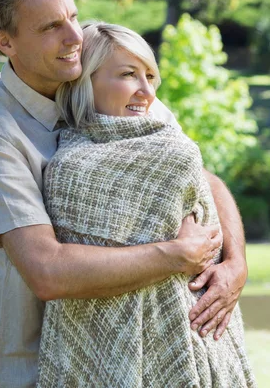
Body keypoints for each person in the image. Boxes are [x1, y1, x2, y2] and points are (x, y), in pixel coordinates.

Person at [0, 0, 248, 387]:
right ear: (5, 42)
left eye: (72, 16)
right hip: (35, 370)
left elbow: (196, 175)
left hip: (133, 363)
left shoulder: (106, 77)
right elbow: (47, 271)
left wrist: (235, 264)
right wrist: (176, 255)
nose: (74, 36)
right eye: (50, 27)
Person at [37, 22, 256, 387]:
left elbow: (207, 181)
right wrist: (175, 253)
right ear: (84, 81)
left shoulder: (167, 140)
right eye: (128, 75)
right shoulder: (67, 166)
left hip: (193, 332)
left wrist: (236, 262)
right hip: (95, 351)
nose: (146, 92)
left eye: (150, 77)